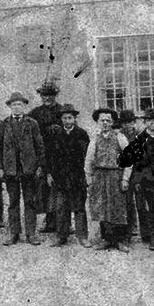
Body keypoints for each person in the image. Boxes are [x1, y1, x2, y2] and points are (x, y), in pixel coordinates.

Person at [0, 92, 45, 245]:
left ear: (24, 106)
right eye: (14, 104)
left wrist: (40, 166)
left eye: (19, 104)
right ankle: (14, 233)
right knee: (13, 202)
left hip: (28, 169)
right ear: (10, 107)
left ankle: (31, 234)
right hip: (10, 169)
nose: (17, 107)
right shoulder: (4, 124)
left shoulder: (32, 123)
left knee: (30, 201)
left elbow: (39, 146)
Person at [118, 109, 154, 251]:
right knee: (152, 210)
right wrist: (138, 180)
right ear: (144, 122)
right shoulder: (139, 139)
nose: (152, 123)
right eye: (148, 120)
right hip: (148, 180)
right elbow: (137, 163)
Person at [84, 108, 131, 253]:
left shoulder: (120, 138)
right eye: (102, 120)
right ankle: (106, 239)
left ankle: (120, 240)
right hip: (99, 176)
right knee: (102, 207)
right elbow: (89, 160)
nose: (105, 123)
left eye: (108, 120)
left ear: (112, 122)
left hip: (115, 175)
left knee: (117, 206)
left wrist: (125, 178)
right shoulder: (94, 139)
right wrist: (89, 179)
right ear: (98, 122)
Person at [44, 104, 91, 247]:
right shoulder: (55, 135)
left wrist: (87, 175)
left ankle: (82, 236)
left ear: (74, 119)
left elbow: (87, 157)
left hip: (77, 176)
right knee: (61, 208)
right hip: (60, 177)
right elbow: (50, 156)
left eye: (70, 117)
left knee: (79, 207)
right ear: (61, 120)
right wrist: (49, 174)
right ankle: (61, 236)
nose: (67, 120)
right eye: (64, 118)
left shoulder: (82, 134)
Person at [29, 81, 63, 233]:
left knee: (60, 187)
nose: (47, 98)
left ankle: (63, 222)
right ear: (41, 96)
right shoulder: (35, 113)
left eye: (50, 95)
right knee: (44, 189)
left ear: (55, 95)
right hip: (43, 154)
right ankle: (49, 222)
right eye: (44, 95)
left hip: (59, 155)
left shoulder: (62, 110)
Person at [115, 110, 140, 241]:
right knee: (128, 200)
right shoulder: (119, 136)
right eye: (124, 123)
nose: (127, 125)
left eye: (130, 122)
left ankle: (141, 226)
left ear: (134, 122)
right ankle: (130, 226)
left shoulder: (139, 135)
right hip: (126, 170)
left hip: (139, 171)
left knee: (141, 201)